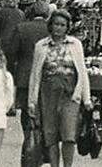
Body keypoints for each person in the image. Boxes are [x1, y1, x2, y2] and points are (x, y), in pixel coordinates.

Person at [28, 11, 92, 167]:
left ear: (67, 27)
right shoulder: (41, 46)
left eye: (63, 25)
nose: (59, 28)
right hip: (48, 94)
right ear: (51, 25)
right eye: (56, 24)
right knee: (51, 135)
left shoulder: (75, 44)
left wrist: (86, 98)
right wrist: (32, 101)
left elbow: (82, 72)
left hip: (70, 94)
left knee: (69, 135)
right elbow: (35, 74)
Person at [6, 1, 49, 165]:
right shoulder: (50, 28)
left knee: (26, 113)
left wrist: (12, 70)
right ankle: (43, 147)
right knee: (45, 111)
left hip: (25, 76)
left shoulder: (21, 28)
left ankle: (30, 144)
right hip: (46, 76)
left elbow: (11, 52)